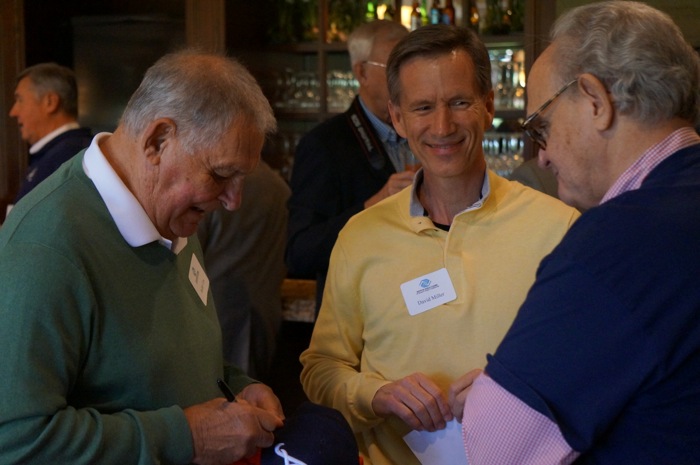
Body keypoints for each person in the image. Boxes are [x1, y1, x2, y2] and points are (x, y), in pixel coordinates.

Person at [0, 49, 358, 465]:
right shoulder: (45, 247)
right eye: (221, 175)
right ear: (157, 141)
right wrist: (187, 435)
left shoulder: (172, 217)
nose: (233, 201)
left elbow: (168, 357)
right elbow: (18, 439)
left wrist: (235, 387)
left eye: (242, 178)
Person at [300, 25, 580, 465]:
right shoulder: (360, 236)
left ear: (488, 107)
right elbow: (321, 369)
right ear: (397, 117)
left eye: (459, 102)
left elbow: (590, 367)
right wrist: (375, 394)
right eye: (423, 107)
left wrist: (511, 393)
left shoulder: (558, 228)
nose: (442, 126)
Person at [453, 2, 700, 463]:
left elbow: (498, 445)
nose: (541, 157)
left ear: (595, 100)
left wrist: (486, 396)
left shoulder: (619, 238)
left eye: (540, 126)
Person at [286, 19, 411, 311]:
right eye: (393, 67)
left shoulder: (422, 132)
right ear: (362, 72)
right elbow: (300, 252)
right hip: (356, 320)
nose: (405, 78)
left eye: (409, 64)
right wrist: (374, 207)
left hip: (416, 309)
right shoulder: (325, 144)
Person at [198, 160, 290, 380]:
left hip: (213, 314)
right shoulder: (281, 188)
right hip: (264, 315)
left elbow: (184, 255)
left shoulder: (212, 189)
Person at [8, 62, 93, 209]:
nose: (13, 112)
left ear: (50, 102)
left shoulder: (67, 157)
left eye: (20, 100)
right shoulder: (58, 154)